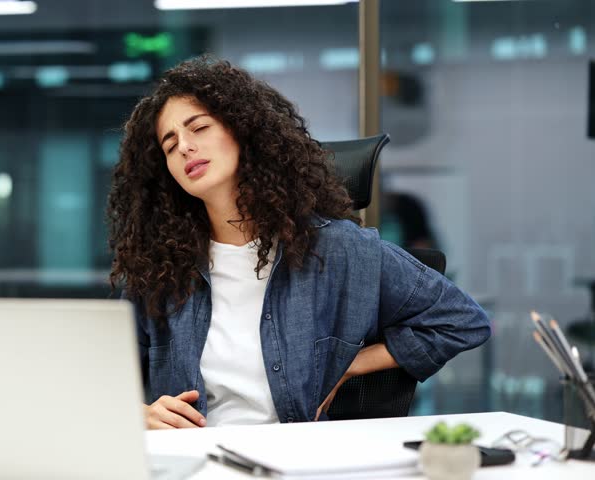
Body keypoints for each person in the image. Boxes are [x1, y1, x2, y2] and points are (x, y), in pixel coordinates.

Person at [106, 57, 490, 430]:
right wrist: (136, 413)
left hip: (296, 461)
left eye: (199, 128)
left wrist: (350, 363)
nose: (185, 147)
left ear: (242, 129)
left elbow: (461, 321)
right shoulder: (159, 267)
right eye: (170, 145)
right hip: (190, 461)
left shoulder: (337, 248)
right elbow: (103, 377)